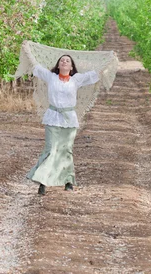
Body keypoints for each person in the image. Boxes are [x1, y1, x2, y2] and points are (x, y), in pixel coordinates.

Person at [26, 54, 100, 195]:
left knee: (66, 150)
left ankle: (68, 181)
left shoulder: (76, 79)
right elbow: (35, 65)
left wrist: (109, 61)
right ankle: (43, 181)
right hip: (52, 117)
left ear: (71, 67)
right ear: (58, 65)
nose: (64, 62)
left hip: (69, 119)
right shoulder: (51, 77)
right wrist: (27, 50)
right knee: (50, 149)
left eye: (67, 61)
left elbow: (94, 74)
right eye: (62, 60)